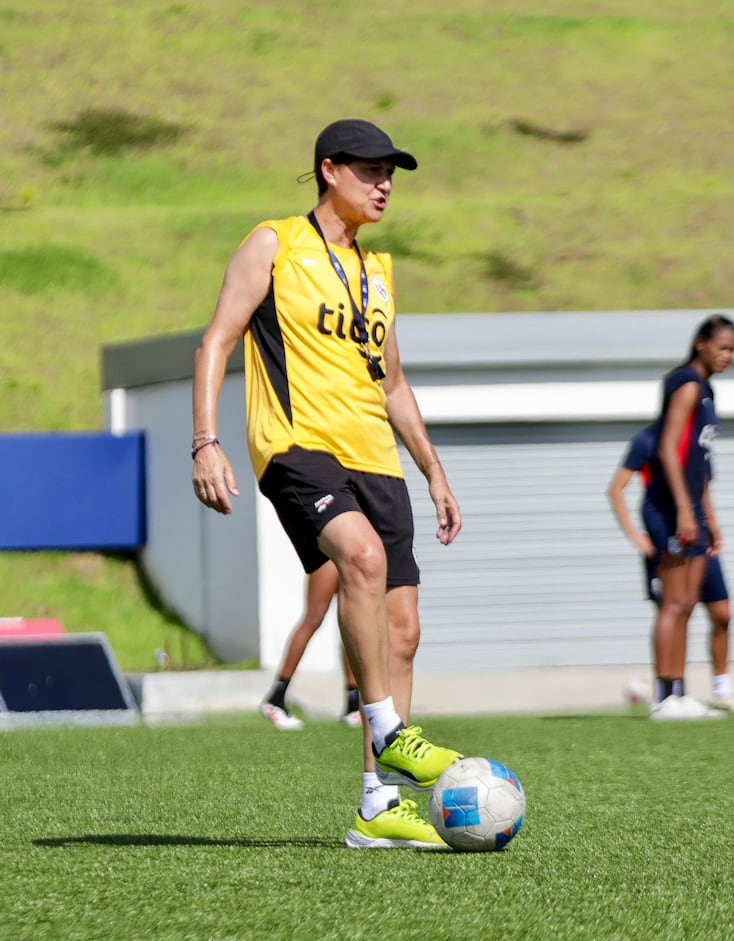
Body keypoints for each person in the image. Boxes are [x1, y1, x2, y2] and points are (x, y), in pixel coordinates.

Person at [192, 118, 463, 850]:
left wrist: (434, 470)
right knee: (362, 559)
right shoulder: (274, 243)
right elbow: (217, 337)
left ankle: (377, 805)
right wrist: (206, 441)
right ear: (329, 169)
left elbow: (395, 382)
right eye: (371, 170)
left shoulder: (379, 271)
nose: (384, 185)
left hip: (377, 455)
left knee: (403, 631)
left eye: (392, 174)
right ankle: (388, 727)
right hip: (296, 446)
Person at [606, 426, 734, 714]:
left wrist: (712, 522)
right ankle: (666, 694)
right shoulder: (648, 440)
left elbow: (701, 486)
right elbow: (616, 489)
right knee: (673, 607)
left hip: (699, 537)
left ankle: (717, 690)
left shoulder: (699, 438)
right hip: (668, 536)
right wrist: (638, 537)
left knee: (719, 612)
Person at [641, 314, 734, 721]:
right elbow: (667, 448)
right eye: (722, 347)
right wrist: (683, 508)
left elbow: (698, 460)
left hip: (693, 507)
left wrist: (708, 515)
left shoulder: (706, 390)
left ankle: (679, 693)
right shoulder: (685, 384)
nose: (727, 355)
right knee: (674, 601)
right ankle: (663, 695)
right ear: (701, 343)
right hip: (670, 506)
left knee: (688, 602)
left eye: (733, 349)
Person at [259, 561, 363, 730]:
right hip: (328, 556)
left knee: (351, 624)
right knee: (314, 618)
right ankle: (276, 698)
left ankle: (353, 706)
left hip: (351, 555)